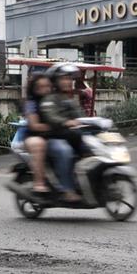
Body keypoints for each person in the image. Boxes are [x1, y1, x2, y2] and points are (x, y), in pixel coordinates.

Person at [38, 63, 89, 202]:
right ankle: (67, 189)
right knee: (64, 151)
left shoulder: (70, 100)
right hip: (52, 138)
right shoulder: (49, 99)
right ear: (55, 81)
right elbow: (51, 117)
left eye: (69, 79)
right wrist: (66, 122)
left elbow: (81, 117)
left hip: (70, 136)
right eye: (63, 79)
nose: (68, 82)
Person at [19, 73, 54, 194]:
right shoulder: (31, 103)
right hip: (33, 136)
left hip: (53, 134)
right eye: (42, 86)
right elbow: (34, 125)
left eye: (47, 86)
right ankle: (39, 182)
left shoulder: (54, 101)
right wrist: (54, 127)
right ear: (35, 88)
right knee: (39, 145)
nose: (46, 89)